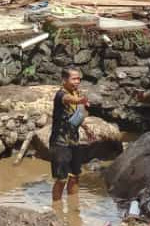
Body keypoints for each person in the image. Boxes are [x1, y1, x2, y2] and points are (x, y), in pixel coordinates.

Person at [50, 68, 89, 203]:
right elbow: (70, 100)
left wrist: (86, 128)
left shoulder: (76, 93)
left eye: (78, 79)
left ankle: (74, 207)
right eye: (74, 79)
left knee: (75, 176)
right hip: (60, 143)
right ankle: (56, 208)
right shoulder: (61, 95)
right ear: (65, 80)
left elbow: (76, 115)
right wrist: (81, 101)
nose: (77, 81)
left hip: (74, 141)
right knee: (61, 179)